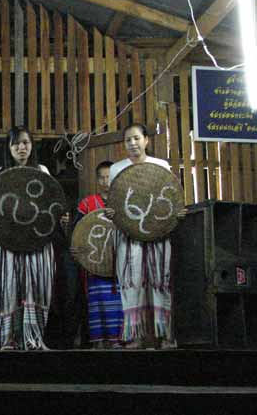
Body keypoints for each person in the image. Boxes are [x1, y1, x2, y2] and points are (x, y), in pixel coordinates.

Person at [0, 126, 70, 350]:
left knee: (35, 287)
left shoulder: (42, 170)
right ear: (9, 148)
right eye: (16, 143)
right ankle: (10, 339)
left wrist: (61, 216)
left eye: (26, 143)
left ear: (31, 146)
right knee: (10, 288)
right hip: (8, 242)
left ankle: (34, 338)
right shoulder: (0, 173)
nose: (21, 147)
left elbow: (52, 203)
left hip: (38, 241)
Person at [108, 123, 186, 349]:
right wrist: (111, 212)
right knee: (132, 282)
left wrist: (176, 212)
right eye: (128, 140)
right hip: (128, 234)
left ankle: (166, 336)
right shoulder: (117, 169)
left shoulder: (160, 165)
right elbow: (114, 201)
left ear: (146, 140)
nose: (132, 143)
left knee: (160, 282)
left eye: (136, 138)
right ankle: (135, 336)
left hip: (158, 233)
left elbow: (170, 196)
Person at [71, 161, 124, 349]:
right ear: (97, 180)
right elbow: (77, 231)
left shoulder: (123, 202)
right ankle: (99, 343)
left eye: (109, 177)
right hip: (94, 264)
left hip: (119, 264)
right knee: (97, 303)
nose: (105, 181)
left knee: (120, 303)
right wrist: (76, 249)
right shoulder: (87, 204)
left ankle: (119, 340)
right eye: (102, 177)